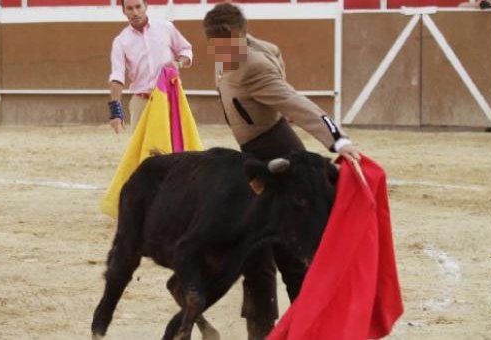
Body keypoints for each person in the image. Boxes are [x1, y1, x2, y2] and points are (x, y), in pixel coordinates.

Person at [202, 3, 361, 339]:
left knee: (289, 254)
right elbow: (274, 50)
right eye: (213, 44)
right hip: (255, 160)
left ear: (239, 37)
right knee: (257, 250)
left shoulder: (254, 66)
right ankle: (265, 331)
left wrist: (338, 140)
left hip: (278, 157)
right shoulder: (252, 48)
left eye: (224, 44)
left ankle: (310, 329)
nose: (218, 53)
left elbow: (297, 103)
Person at [108, 0, 193, 134]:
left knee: (174, 148)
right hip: (142, 101)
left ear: (145, 6)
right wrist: (115, 112)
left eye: (138, 7)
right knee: (141, 150)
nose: (135, 12)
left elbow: (186, 50)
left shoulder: (166, 27)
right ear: (124, 11)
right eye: (129, 8)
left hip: (170, 98)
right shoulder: (121, 41)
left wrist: (179, 63)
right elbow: (117, 77)